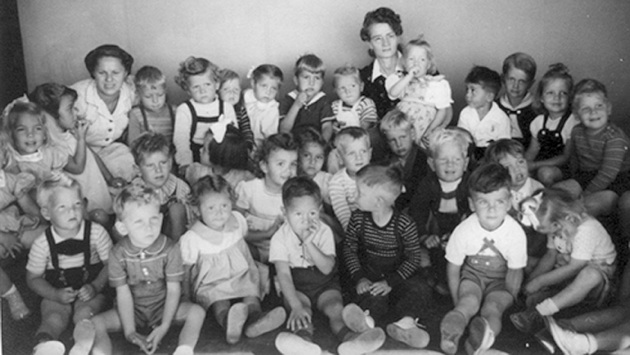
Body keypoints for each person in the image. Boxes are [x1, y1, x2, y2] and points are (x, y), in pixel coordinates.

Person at [272, 176, 385, 355]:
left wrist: (309, 243)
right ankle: (303, 343)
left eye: (312, 213)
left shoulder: (323, 231)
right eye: (298, 214)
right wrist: (295, 305)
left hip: (325, 283)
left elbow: (326, 268)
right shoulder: (279, 237)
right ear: (284, 213)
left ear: (319, 210)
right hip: (297, 286)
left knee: (335, 309)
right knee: (302, 314)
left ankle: (351, 341)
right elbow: (284, 275)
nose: (306, 220)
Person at [87, 185, 206, 355]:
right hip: (131, 312)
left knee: (196, 312)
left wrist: (164, 326)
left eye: (153, 219)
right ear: (122, 227)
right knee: (95, 323)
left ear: (160, 218)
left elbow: (174, 290)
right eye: (138, 222)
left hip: (165, 308)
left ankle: (184, 350)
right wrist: (130, 332)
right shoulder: (117, 253)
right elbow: (123, 294)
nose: (149, 227)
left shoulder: (170, 249)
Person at [180, 175, 285, 344]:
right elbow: (185, 269)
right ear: (197, 210)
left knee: (251, 292)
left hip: (241, 272)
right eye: (211, 208)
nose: (220, 213)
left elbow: (247, 235)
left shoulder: (236, 219)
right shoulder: (192, 237)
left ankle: (255, 320)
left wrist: (267, 233)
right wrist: (185, 296)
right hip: (213, 281)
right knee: (219, 300)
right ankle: (229, 323)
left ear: (231, 203)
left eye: (224, 205)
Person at [440, 163, 527, 355]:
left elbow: (515, 271)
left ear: (510, 201)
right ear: (472, 204)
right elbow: (453, 267)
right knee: (468, 301)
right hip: (473, 276)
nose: (492, 209)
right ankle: (451, 333)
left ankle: (481, 340)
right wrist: (457, 303)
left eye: (499, 202)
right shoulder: (464, 230)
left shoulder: (515, 233)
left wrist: (511, 298)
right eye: (483, 202)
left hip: (500, 282)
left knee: (493, 308)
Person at [342, 164, 432, 349]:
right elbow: (349, 249)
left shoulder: (404, 224)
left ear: (378, 202)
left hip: (398, 278)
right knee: (371, 296)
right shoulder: (358, 219)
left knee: (419, 289)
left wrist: (391, 282)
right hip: (371, 276)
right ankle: (367, 326)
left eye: (359, 193)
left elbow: (414, 258)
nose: (353, 197)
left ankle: (405, 325)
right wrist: (360, 278)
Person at [511, 188, 617, 335]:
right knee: (528, 264)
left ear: (564, 220)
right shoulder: (556, 224)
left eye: (553, 233)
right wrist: (532, 281)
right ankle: (553, 299)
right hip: (567, 268)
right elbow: (550, 255)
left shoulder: (586, 230)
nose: (553, 236)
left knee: (589, 275)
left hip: (594, 278)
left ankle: (541, 312)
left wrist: (540, 282)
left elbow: (575, 267)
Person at [27, 178, 112, 355]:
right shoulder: (42, 243)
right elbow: (33, 279)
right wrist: (54, 294)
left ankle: (81, 347)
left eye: (76, 204)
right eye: (62, 207)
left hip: (90, 289)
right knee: (53, 318)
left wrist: (96, 286)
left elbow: (111, 265)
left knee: (85, 314)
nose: (72, 211)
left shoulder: (96, 232)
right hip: (56, 291)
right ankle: (45, 347)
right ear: (47, 213)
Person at [29, 83, 115, 226]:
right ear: (51, 116)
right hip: (84, 200)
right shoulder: (53, 146)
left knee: (108, 215)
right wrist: (81, 138)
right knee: (98, 220)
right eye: (70, 108)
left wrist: (109, 177)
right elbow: (77, 167)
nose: (76, 111)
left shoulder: (70, 132)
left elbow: (91, 154)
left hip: (98, 189)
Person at [554, 78, 630, 217]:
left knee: (587, 205)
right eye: (586, 109)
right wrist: (574, 181)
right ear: (577, 115)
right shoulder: (577, 131)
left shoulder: (615, 138)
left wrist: (585, 193)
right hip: (588, 175)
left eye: (599, 106)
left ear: (609, 109)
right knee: (557, 192)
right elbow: (575, 159)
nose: (593, 112)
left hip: (617, 180)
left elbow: (607, 174)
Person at [408, 128, 471, 294]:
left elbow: (474, 214)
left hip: (462, 236)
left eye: (456, 160)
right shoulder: (427, 185)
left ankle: (464, 282)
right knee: (421, 258)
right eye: (443, 160)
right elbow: (417, 213)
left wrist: (459, 237)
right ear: (431, 163)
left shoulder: (470, 184)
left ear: (465, 163)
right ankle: (432, 280)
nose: (450, 165)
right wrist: (424, 236)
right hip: (434, 236)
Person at [71, 44, 137, 182]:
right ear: (93, 73)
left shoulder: (131, 92)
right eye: (102, 73)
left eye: (115, 73)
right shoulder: (76, 97)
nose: (109, 79)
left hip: (110, 151)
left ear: (125, 73)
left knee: (129, 172)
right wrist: (108, 176)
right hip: (78, 153)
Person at [235, 132, 298, 262]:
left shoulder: (296, 195)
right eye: (281, 164)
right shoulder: (249, 189)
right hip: (253, 248)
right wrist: (266, 234)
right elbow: (236, 230)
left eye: (293, 164)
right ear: (264, 166)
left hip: (284, 253)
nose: (288, 170)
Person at [485, 139, 546, 269]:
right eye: (508, 167)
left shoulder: (537, 188)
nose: (517, 169)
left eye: (520, 162)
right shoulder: (498, 191)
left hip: (533, 240)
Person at [173, 56, 238, 174]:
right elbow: (181, 140)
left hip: (222, 159)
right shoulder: (184, 109)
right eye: (196, 87)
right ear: (188, 90)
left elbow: (233, 138)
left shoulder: (226, 107)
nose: (202, 91)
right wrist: (186, 165)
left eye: (207, 84)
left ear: (217, 84)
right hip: (195, 159)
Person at [386, 36, 453, 148]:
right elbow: (393, 94)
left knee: (420, 154)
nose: (416, 63)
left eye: (422, 60)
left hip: (424, 127)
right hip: (402, 124)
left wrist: (431, 129)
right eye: (411, 59)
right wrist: (408, 76)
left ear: (428, 64)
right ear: (404, 62)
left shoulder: (436, 84)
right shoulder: (401, 80)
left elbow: (442, 110)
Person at [129, 132, 191, 241]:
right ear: (137, 169)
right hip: (145, 240)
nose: (158, 170)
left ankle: (175, 253)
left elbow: (190, 222)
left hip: (172, 239)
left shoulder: (181, 187)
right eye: (150, 165)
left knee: (177, 209)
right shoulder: (133, 191)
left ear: (171, 162)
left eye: (163, 163)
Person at [525, 63, 578, 186]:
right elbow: (532, 151)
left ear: (570, 98)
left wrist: (535, 165)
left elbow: (565, 157)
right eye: (550, 93)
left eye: (563, 93)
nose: (557, 98)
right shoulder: (538, 122)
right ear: (541, 98)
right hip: (540, 164)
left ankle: (553, 200)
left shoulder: (572, 122)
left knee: (545, 173)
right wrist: (523, 164)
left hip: (564, 169)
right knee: (523, 174)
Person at [3, 100, 75, 183]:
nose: (30, 134)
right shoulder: (10, 162)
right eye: (21, 129)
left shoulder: (51, 154)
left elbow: (76, 168)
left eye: (37, 128)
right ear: (11, 134)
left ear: (45, 134)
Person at [0, 128, 44, 250]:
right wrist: (3, 238)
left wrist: (43, 223)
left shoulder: (10, 181)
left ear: (4, 156)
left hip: (15, 227)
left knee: (46, 235)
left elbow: (31, 209)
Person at [379, 108, 428, 212]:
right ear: (387, 142)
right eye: (392, 140)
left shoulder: (424, 158)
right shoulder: (386, 161)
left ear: (413, 134)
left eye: (403, 137)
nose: (399, 144)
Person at [457, 66, 511, 161]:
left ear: (489, 97)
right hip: (469, 155)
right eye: (467, 89)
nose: (468, 95)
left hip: (492, 158)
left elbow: (504, 147)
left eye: (473, 90)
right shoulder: (465, 114)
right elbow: (461, 140)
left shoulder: (501, 118)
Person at [279, 54, 334, 141]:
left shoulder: (323, 100)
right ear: (296, 80)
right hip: (293, 143)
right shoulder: (288, 99)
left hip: (316, 143)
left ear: (322, 82)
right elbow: (283, 130)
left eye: (317, 78)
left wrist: (322, 144)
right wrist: (296, 105)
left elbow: (327, 127)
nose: (311, 83)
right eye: (306, 77)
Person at [185, 125, 254, 189]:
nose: (200, 150)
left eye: (204, 150)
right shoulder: (196, 172)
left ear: (219, 157)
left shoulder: (242, 179)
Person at [329, 127, 372, 229]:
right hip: (354, 229)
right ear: (340, 158)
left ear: (370, 153)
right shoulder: (337, 182)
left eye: (363, 151)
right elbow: (343, 214)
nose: (359, 157)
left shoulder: (376, 175)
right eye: (352, 153)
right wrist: (354, 233)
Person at [496, 52, 538, 148]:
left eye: (522, 81)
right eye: (511, 79)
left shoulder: (537, 108)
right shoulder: (495, 106)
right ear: (503, 79)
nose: (515, 86)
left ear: (531, 83)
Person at [127, 65, 175, 145]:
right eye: (148, 96)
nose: (155, 101)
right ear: (138, 95)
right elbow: (132, 143)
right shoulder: (136, 114)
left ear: (165, 91)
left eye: (160, 95)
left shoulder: (174, 111)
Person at [244, 64, 284, 148]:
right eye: (264, 86)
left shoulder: (272, 108)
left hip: (260, 144)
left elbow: (270, 135)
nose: (268, 92)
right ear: (253, 84)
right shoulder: (246, 96)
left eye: (273, 88)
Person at [330, 64, 377, 132]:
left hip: (360, 137)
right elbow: (331, 123)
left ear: (361, 87)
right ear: (336, 90)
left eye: (352, 86)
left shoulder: (366, 103)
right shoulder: (335, 106)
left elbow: (368, 124)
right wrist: (334, 125)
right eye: (342, 88)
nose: (348, 91)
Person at [217, 68, 255, 150]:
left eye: (236, 89)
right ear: (217, 92)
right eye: (226, 89)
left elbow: (247, 131)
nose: (232, 93)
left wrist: (248, 146)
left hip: (237, 148)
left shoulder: (240, 110)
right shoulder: (216, 110)